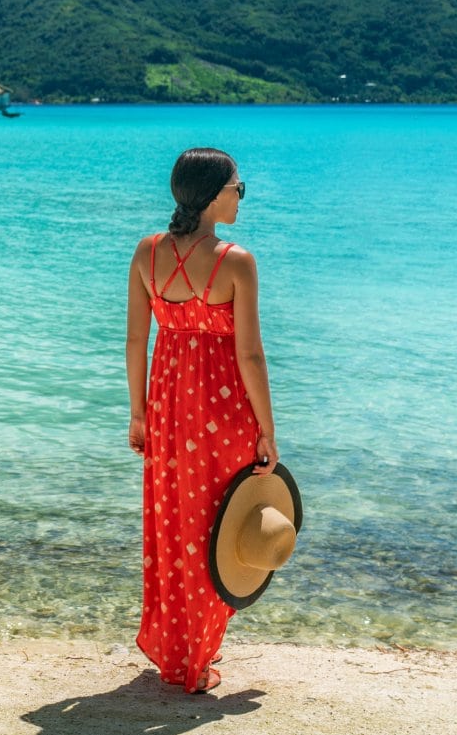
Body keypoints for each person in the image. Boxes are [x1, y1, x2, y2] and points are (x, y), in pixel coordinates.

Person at [126, 147, 277, 693]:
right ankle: (197, 657)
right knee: (217, 528)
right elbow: (251, 357)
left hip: (168, 408)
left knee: (173, 528)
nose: (242, 196)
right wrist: (268, 429)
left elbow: (135, 342)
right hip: (224, 412)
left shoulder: (148, 253)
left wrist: (139, 412)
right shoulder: (236, 260)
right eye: (240, 186)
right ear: (215, 194)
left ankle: (177, 652)